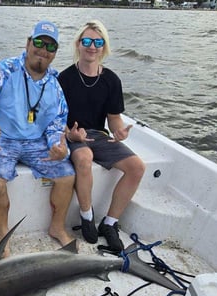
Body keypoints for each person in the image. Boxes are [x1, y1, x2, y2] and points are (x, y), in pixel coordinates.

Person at [0, 20, 76, 257]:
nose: (43, 50)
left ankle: (57, 227)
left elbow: (57, 124)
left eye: (51, 47)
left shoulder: (55, 88)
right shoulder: (4, 70)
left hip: (36, 142)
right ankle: (3, 236)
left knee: (67, 176)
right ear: (28, 43)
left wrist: (58, 147)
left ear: (55, 53)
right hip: (1, 138)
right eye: (39, 42)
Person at [58, 20, 145, 254]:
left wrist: (119, 130)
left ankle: (110, 224)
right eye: (86, 41)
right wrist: (70, 134)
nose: (92, 46)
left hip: (99, 134)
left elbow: (114, 117)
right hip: (74, 135)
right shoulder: (64, 79)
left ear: (104, 46)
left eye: (98, 42)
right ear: (78, 44)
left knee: (137, 167)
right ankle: (87, 216)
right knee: (84, 157)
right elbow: (55, 120)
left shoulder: (111, 80)